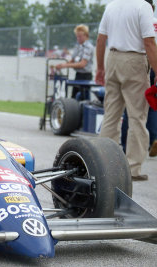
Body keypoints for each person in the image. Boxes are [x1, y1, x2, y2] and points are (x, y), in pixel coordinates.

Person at [95, 0, 157, 181]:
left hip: (112, 58)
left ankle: (105, 162)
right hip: (134, 60)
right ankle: (132, 168)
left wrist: (100, 67)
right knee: (137, 117)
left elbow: (100, 39)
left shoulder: (112, 5)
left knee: (111, 115)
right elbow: (149, 43)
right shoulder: (143, 6)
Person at [121, 3, 157, 158]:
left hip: (141, 63)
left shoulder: (135, 21)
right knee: (152, 107)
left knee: (132, 109)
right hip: (150, 65)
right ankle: (152, 140)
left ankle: (125, 146)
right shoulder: (153, 22)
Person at [55, 24, 94, 100]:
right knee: (74, 98)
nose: (78, 38)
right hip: (78, 75)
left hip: (86, 76)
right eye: (77, 36)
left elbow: (82, 64)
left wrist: (65, 66)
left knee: (83, 98)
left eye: (80, 36)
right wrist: (61, 65)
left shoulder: (89, 47)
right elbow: (72, 60)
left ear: (85, 35)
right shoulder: (78, 46)